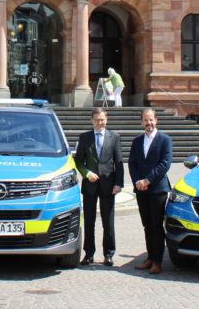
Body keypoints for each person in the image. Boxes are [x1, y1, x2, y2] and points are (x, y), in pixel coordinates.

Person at [74, 107, 124, 266]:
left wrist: (118, 183)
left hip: (109, 185)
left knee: (108, 221)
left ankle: (109, 254)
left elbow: (119, 163)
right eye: (96, 120)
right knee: (89, 221)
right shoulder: (84, 137)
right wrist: (86, 173)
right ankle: (88, 254)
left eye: (102, 119)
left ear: (106, 120)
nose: (99, 122)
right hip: (90, 185)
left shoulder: (114, 137)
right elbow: (78, 161)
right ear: (92, 121)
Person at [127, 108, 173, 275]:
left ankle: (158, 262)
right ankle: (149, 257)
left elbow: (165, 164)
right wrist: (138, 181)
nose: (149, 123)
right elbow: (132, 163)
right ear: (141, 122)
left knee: (156, 226)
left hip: (158, 189)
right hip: (141, 190)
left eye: (151, 120)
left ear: (156, 120)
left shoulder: (165, 140)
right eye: (146, 120)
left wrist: (148, 180)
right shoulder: (137, 141)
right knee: (147, 225)